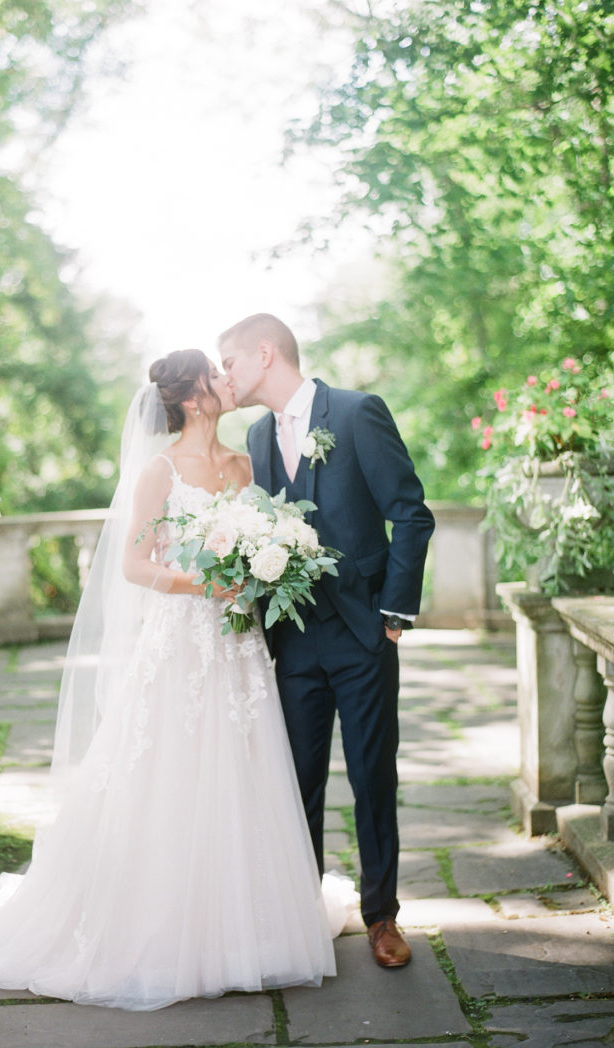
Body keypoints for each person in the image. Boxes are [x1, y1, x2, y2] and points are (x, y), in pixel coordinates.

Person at [0, 349, 339, 1010]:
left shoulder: (245, 462)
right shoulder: (160, 470)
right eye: (216, 376)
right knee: (170, 773)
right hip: (181, 642)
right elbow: (136, 566)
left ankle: (246, 926)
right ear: (194, 397)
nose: (229, 383)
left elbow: (266, 540)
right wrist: (206, 580)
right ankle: (162, 928)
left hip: (239, 648)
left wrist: (265, 570)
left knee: (243, 771)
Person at [219, 314, 435, 968]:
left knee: (373, 775)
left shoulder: (356, 412)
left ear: (264, 354)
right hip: (292, 640)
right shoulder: (256, 436)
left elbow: (410, 512)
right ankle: (299, 912)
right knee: (295, 782)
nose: (225, 376)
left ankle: (382, 918)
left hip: (364, 631)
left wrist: (394, 611)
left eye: (229, 362)